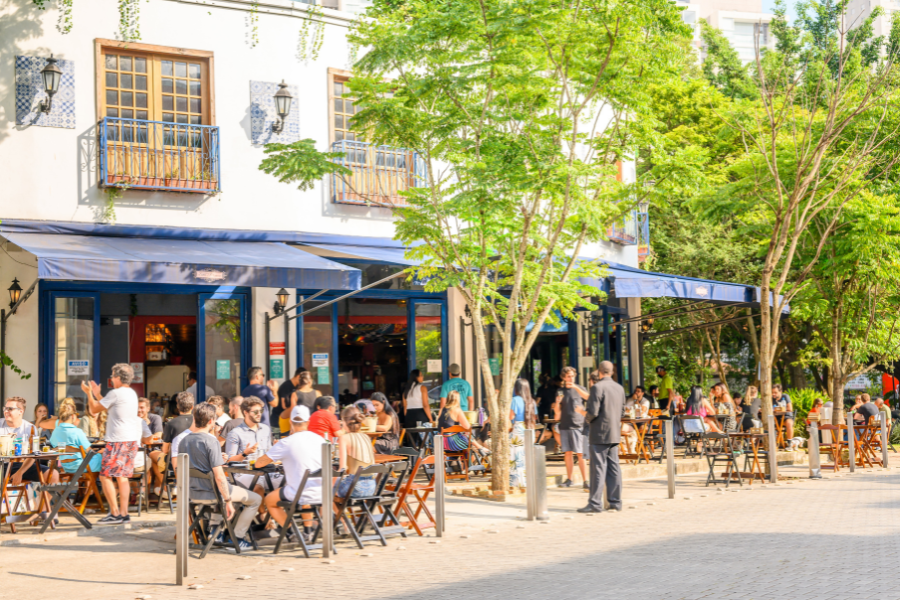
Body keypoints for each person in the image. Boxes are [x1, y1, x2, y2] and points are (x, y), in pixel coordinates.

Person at [181, 403, 261, 552]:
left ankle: (215, 532)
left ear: (194, 418)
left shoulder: (183, 441)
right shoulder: (211, 441)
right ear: (211, 421)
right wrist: (228, 501)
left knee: (227, 490)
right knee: (255, 499)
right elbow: (219, 477)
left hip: (191, 493)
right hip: (212, 493)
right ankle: (237, 537)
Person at [81, 363, 143, 525]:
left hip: (117, 440)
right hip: (130, 440)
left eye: (112, 375)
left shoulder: (116, 393)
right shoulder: (131, 393)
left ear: (118, 377)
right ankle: (123, 514)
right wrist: (98, 394)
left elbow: (94, 409)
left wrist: (89, 394)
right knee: (122, 477)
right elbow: (109, 408)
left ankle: (115, 513)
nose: (111, 378)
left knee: (105, 476)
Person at [257, 405, 326, 540]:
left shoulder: (286, 442)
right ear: (308, 421)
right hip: (321, 492)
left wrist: (279, 452)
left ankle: (291, 532)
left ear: (290, 421)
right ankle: (308, 531)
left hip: (299, 493)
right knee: (304, 492)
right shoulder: (320, 439)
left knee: (269, 500)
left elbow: (260, 463)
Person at [578, 361, 625, 514]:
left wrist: (584, 416)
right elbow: (622, 412)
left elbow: (592, 412)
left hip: (599, 433)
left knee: (597, 469)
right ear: (611, 372)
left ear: (599, 372)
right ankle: (615, 502)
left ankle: (595, 503)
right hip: (614, 433)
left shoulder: (597, 388)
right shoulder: (619, 388)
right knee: (614, 468)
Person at [225, 397, 280, 496]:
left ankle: (273, 510)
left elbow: (269, 453)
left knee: (288, 483)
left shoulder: (266, 429)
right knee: (258, 487)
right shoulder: (235, 433)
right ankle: (262, 512)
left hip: (266, 472)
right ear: (245, 412)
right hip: (244, 474)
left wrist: (276, 449)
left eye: (261, 411)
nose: (259, 414)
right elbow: (230, 460)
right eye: (255, 412)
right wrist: (245, 453)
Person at [558, 366, 589, 489]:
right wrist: (556, 403)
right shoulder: (560, 391)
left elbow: (588, 397)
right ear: (564, 378)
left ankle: (585, 481)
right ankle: (569, 479)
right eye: (568, 376)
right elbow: (557, 409)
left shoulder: (580, 389)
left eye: (572, 375)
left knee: (581, 454)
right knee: (568, 453)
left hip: (579, 425)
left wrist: (575, 386)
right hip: (565, 425)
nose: (571, 378)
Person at [50, 402, 102, 474]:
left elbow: (54, 448)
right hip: (80, 466)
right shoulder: (77, 431)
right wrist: (100, 451)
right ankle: (96, 484)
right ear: (73, 416)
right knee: (101, 457)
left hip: (66, 466)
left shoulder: (55, 431)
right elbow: (89, 451)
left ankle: (88, 483)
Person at [336, 406, 376, 497]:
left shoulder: (344, 438)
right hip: (371, 487)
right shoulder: (366, 437)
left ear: (345, 422)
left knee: (328, 488)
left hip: (355, 488)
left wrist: (332, 484)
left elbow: (342, 468)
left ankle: (337, 511)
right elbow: (373, 464)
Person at [161, 392, 195, 458]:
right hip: (197, 460)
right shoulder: (200, 422)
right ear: (192, 407)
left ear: (177, 406)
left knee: (154, 455)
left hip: (176, 460)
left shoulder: (170, 423)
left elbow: (165, 450)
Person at [277, 367, 307, 434]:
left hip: (289, 419)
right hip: (279, 420)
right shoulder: (287, 386)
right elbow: (284, 405)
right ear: (298, 376)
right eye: (303, 379)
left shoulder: (296, 387)